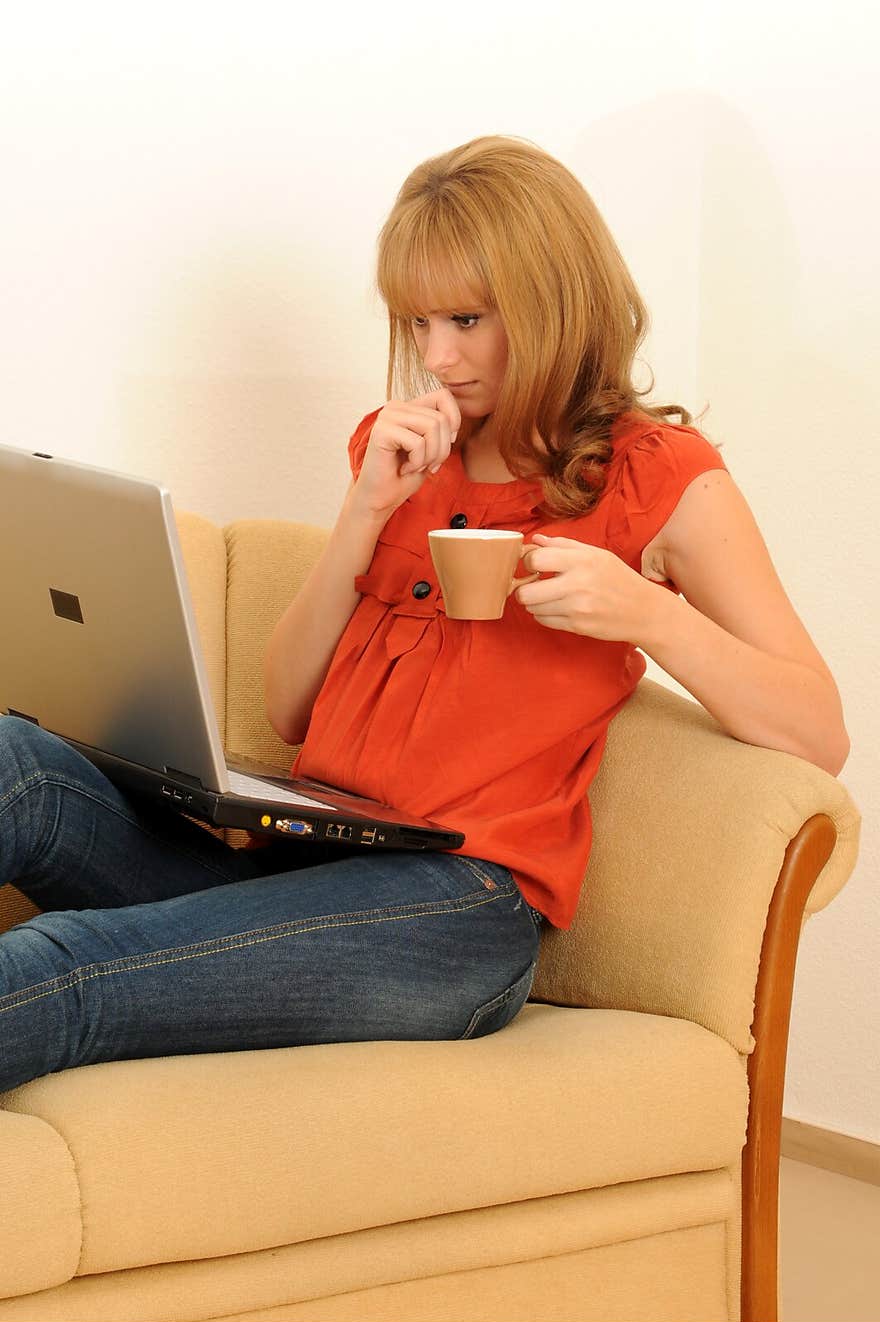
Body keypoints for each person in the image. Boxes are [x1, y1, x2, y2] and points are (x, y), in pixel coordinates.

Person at [0, 135, 849, 1094]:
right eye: (419, 321)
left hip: (453, 910)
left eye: (467, 318)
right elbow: (288, 709)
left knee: (64, 963)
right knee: (13, 761)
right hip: (302, 859)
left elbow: (817, 728)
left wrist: (649, 617)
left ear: (552, 303)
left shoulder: (660, 479)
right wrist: (364, 510)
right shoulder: (403, 451)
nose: (438, 356)